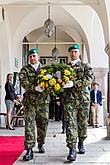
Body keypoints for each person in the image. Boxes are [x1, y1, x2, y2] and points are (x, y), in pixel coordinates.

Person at [63, 44, 94, 161]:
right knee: (70, 124)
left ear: (79, 53)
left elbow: (89, 79)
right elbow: (60, 81)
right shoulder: (65, 67)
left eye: (75, 51)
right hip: (69, 99)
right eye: (71, 52)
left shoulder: (86, 66)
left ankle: (81, 142)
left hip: (83, 100)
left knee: (82, 123)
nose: (73, 54)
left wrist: (74, 84)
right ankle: (72, 148)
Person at [19, 48, 49, 161]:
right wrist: (35, 88)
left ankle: (41, 143)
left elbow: (51, 82)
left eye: (34, 56)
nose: (32, 58)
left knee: (43, 124)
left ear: (38, 57)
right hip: (30, 102)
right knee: (29, 125)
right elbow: (24, 83)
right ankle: (29, 149)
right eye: (30, 56)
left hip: (43, 102)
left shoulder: (45, 69)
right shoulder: (24, 70)